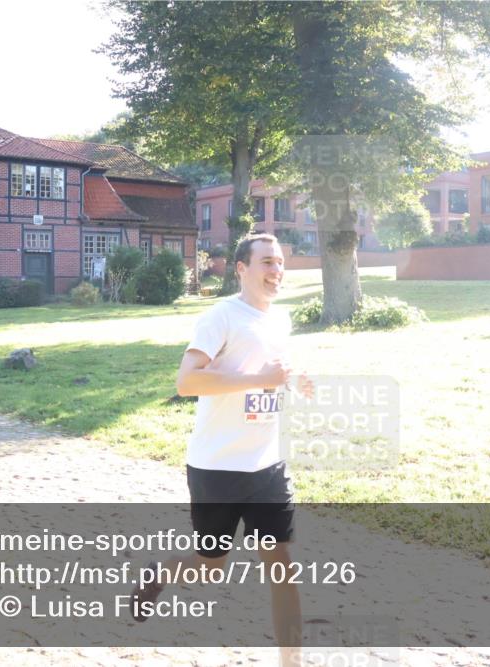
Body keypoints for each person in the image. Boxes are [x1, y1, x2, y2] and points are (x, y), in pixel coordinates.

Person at [132, 233, 312, 667]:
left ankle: (293, 662)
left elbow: (274, 373)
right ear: (241, 269)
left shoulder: (279, 320)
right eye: (267, 262)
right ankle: (160, 574)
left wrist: (297, 382)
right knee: (211, 565)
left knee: (281, 565)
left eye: (281, 262)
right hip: (218, 468)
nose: (276, 271)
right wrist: (261, 379)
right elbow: (187, 382)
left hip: (267, 464)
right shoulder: (222, 317)